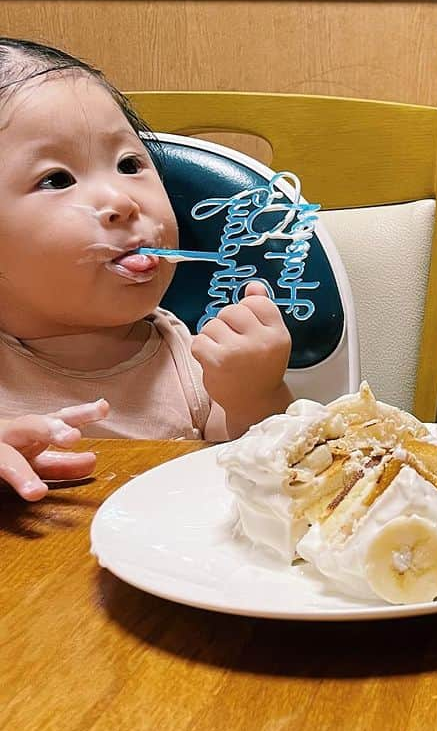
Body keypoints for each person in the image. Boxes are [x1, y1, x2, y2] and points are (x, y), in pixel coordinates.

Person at [0, 38, 293, 497]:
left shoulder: (190, 362)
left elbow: (269, 484)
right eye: (57, 179)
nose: (121, 199)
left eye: (129, 163)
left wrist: (256, 395)